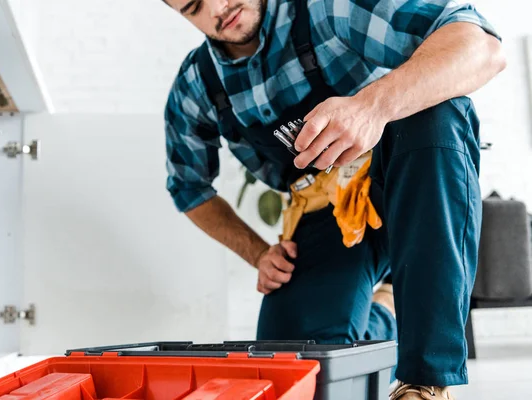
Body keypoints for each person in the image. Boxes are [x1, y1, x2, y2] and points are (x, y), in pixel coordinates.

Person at [162, 0, 505, 398]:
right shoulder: (197, 84)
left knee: (440, 109)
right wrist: (257, 254)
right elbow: (189, 187)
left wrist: (371, 107)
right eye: (194, 7)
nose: (219, 8)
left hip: (411, 180)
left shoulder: (327, 8)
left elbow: (481, 47)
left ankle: (425, 379)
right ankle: (385, 313)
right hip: (327, 213)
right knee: (298, 371)